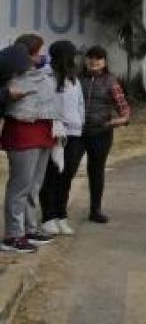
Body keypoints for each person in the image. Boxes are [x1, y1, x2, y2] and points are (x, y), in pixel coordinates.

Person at [1, 34, 60, 253]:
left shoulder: (44, 76)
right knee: (20, 187)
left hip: (43, 133)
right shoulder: (10, 77)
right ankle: (13, 235)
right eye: (37, 52)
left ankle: (29, 228)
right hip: (23, 135)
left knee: (34, 186)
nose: (41, 56)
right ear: (26, 54)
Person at [71, 46, 131, 224]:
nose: (94, 61)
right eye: (90, 58)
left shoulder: (111, 81)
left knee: (96, 171)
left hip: (101, 134)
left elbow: (124, 108)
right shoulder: (76, 79)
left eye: (98, 58)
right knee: (68, 169)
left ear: (104, 62)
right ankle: (59, 211)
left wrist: (116, 122)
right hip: (77, 133)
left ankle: (95, 209)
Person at [39, 41, 86, 236]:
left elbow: (80, 103)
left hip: (74, 134)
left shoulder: (74, 78)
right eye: (72, 56)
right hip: (54, 134)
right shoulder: (45, 76)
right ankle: (48, 217)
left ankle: (61, 215)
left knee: (67, 176)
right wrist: (56, 124)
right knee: (51, 176)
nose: (75, 59)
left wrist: (80, 121)